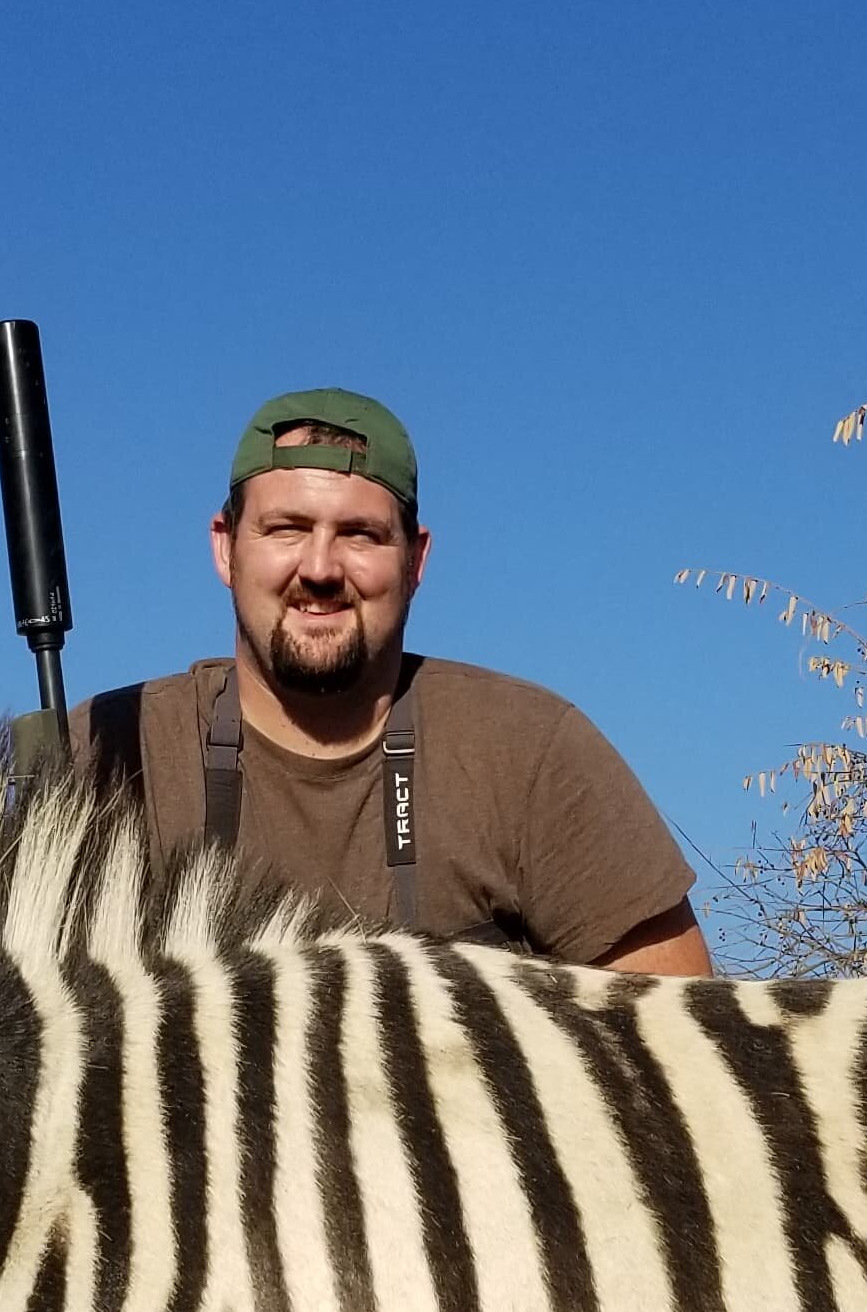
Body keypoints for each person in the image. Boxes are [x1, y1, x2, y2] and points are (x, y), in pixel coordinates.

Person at [67, 387, 709, 972]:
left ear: (415, 560)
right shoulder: (110, 749)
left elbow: (677, 1029)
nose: (319, 568)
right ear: (225, 547)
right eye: (286, 528)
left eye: (360, 535)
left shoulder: (530, 751)